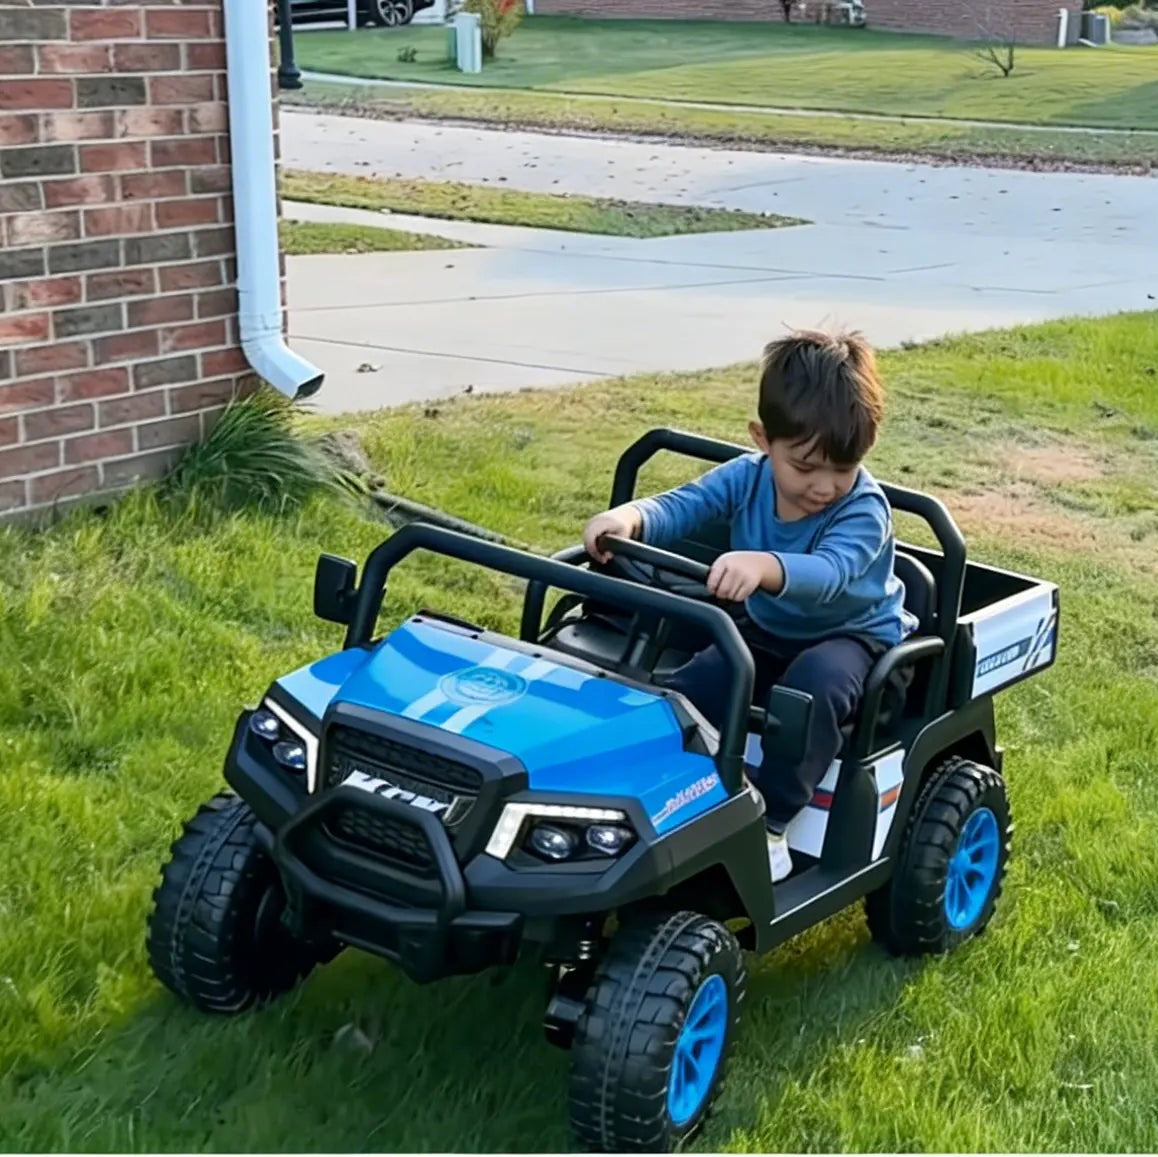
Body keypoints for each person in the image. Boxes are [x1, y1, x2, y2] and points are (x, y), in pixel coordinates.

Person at [582, 329, 915, 882]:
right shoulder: (747, 477)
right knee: (696, 686)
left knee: (811, 689)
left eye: (843, 467)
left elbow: (830, 574)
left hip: (853, 638)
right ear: (763, 439)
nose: (825, 486)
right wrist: (628, 519)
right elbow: (686, 505)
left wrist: (761, 565)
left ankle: (773, 823)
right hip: (768, 629)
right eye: (805, 467)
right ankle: (678, 791)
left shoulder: (864, 510)